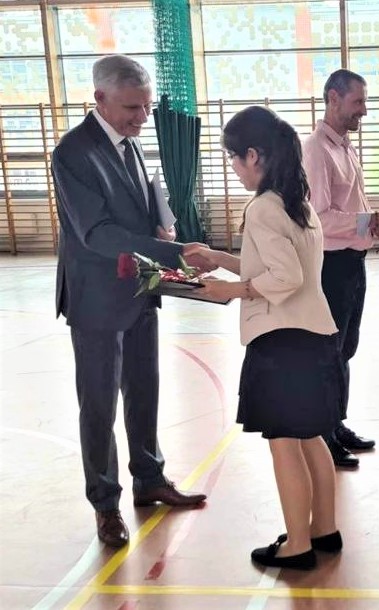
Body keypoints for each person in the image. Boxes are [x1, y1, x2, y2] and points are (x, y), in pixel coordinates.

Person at [51, 54, 208, 548]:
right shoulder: (73, 152)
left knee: (144, 389)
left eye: (146, 107)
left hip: (140, 288)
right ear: (99, 98)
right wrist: (174, 253)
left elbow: (135, 211)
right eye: (131, 108)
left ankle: (150, 478)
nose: (142, 117)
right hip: (97, 298)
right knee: (99, 404)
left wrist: (160, 228)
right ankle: (105, 503)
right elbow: (96, 233)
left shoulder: (130, 142)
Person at [192, 106, 341, 570]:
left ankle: (297, 545)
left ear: (253, 155)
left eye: (234, 159)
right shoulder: (296, 202)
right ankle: (324, 530)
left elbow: (285, 277)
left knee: (283, 444)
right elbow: (279, 266)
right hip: (313, 335)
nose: (235, 168)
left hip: (282, 341)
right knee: (310, 437)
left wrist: (230, 291)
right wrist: (220, 258)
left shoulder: (261, 207)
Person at [303, 69, 379, 468]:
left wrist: (378, 222)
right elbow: (318, 217)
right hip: (331, 266)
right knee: (328, 352)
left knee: (345, 349)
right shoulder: (315, 150)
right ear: (333, 99)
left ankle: (336, 423)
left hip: (352, 262)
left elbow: (351, 208)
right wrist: (374, 221)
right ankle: (323, 435)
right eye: (358, 102)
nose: (364, 110)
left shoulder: (345, 147)